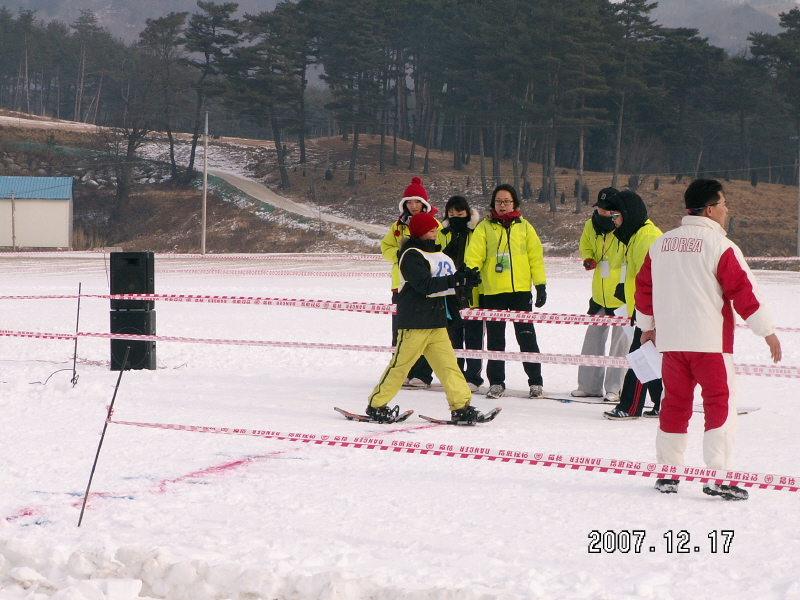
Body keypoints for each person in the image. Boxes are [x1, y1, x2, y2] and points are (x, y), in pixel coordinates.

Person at [635, 179, 781, 500]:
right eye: (725, 204)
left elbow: (644, 288)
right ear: (711, 209)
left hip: (672, 343)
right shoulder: (720, 246)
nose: (727, 210)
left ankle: (668, 475)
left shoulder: (661, 244)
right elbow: (743, 291)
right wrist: (766, 330)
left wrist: (647, 325)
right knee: (720, 407)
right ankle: (718, 477)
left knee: (673, 405)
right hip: (710, 343)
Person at [366, 211, 484, 423]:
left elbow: (446, 286)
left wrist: (464, 282)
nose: (435, 234)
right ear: (420, 233)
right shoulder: (411, 255)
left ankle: (461, 406)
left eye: (435, 230)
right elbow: (424, 286)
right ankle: (377, 405)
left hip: (436, 322)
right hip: (415, 323)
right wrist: (454, 280)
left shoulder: (438, 255)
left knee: (449, 367)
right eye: (431, 231)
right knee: (400, 368)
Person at [464, 184, 547, 399]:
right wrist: (470, 276)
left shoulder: (525, 227)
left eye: (507, 201)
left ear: (514, 203)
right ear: (493, 203)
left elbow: (535, 258)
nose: (502, 205)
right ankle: (496, 382)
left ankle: (535, 382)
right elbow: (474, 255)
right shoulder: (484, 228)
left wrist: (540, 285)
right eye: (499, 201)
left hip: (520, 291)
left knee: (527, 337)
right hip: (493, 292)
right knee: (495, 340)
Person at [598, 190, 663, 420]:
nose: (613, 220)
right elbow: (636, 273)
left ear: (627, 213)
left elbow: (652, 278)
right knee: (648, 356)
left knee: (638, 357)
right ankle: (661, 402)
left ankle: (630, 406)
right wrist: (625, 290)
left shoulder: (646, 237)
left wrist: (649, 316)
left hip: (650, 310)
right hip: (640, 306)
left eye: (615, 215)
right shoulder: (635, 235)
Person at [380, 176, 444, 388]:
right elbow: (386, 247)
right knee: (400, 330)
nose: (413, 206)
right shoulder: (398, 226)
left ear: (424, 203)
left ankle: (423, 374)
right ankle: (401, 372)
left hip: (426, 284)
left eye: (417, 202)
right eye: (409, 202)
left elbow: (439, 248)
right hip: (401, 285)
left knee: (424, 331)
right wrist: (401, 257)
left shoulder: (435, 225)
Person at [571, 188, 628, 402]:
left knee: (619, 344)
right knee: (593, 340)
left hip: (621, 295)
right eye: (600, 208)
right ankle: (588, 385)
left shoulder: (624, 227)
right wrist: (588, 258)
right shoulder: (590, 225)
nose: (603, 212)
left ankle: (615, 387)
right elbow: (586, 246)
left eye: (607, 209)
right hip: (599, 294)